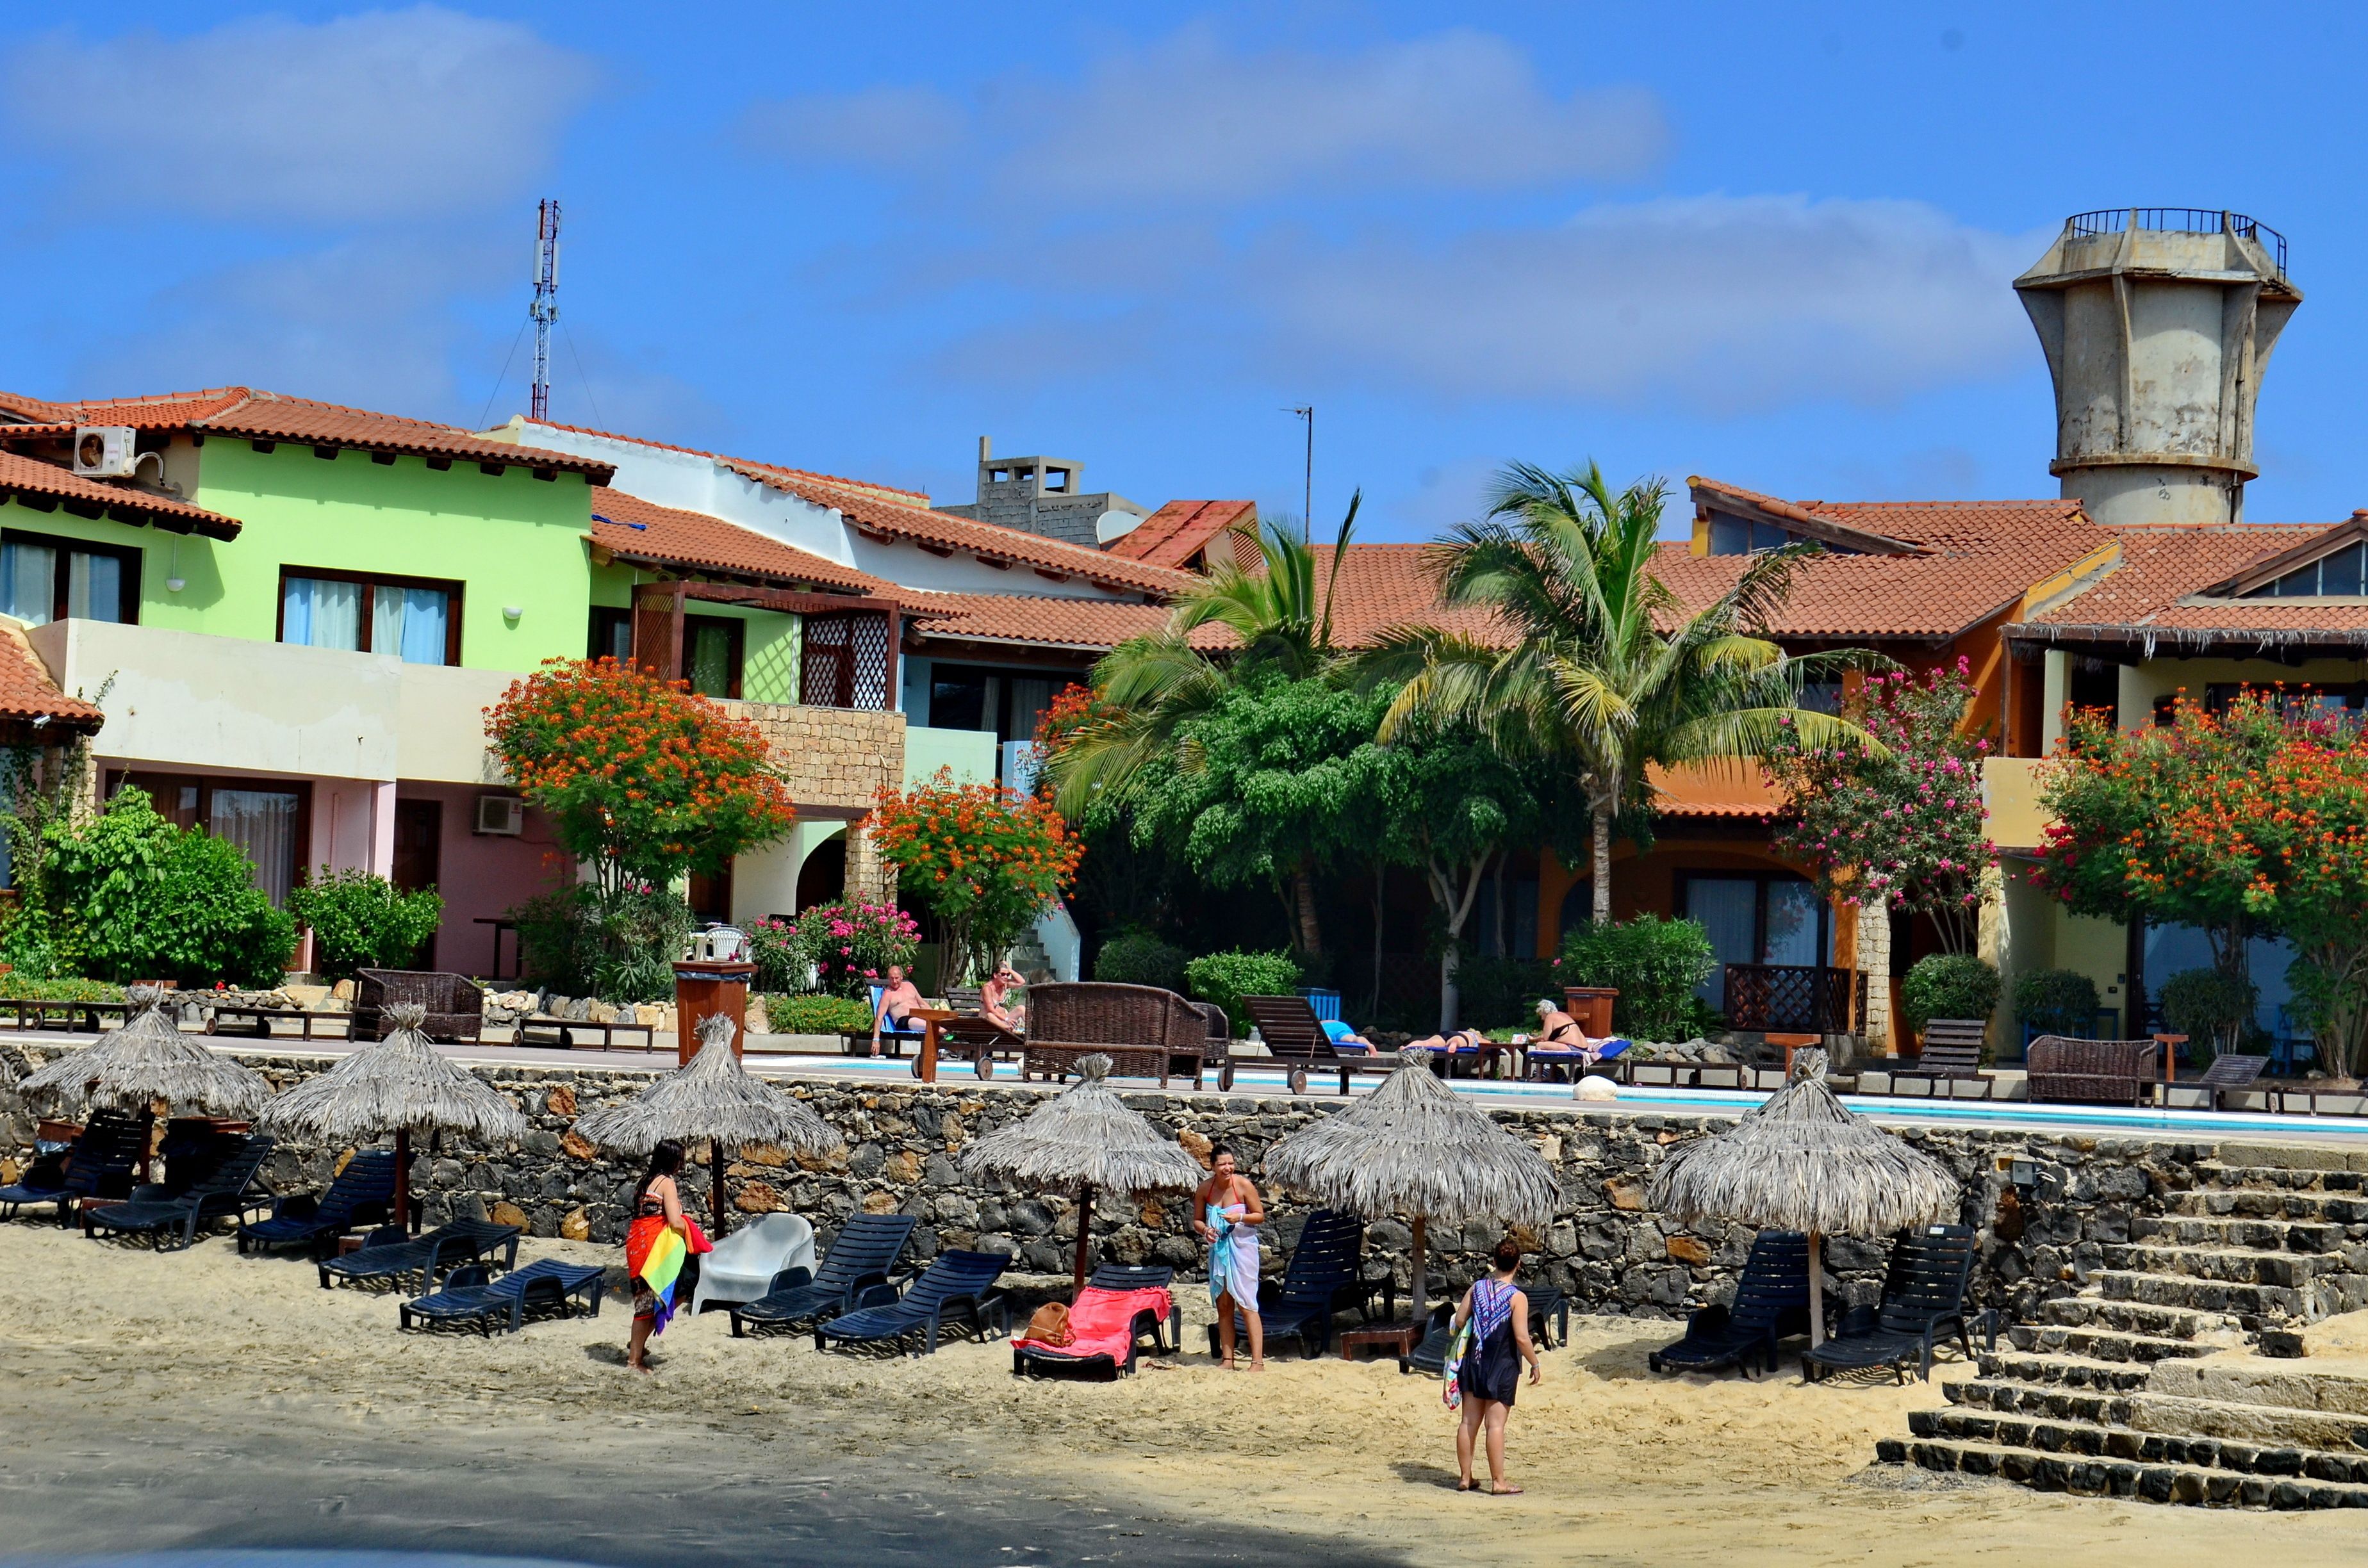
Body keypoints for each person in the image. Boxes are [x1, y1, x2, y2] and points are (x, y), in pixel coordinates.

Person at [1451, 1237, 1542, 1494]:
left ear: (1494, 1263)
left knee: (1468, 1423)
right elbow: (1522, 1338)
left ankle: (1465, 1478)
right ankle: (1498, 1482)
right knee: (1496, 1426)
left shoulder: (1477, 1288)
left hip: (1474, 1362)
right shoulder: (1517, 1298)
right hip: (1502, 1366)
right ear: (1518, 1265)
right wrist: (1535, 1363)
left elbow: (1459, 1320)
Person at [623, 1139, 712, 1374]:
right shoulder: (667, 1183)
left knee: (651, 1300)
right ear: (673, 1161)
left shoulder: (646, 1181)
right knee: (654, 1301)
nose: (681, 1165)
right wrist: (693, 1233)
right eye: (680, 1159)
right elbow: (674, 1221)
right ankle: (634, 1360)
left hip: (637, 1242)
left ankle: (637, 1346)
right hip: (654, 1247)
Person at [1193, 1146, 1266, 1371]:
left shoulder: (1243, 1185)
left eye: (1231, 1163)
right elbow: (1197, 1220)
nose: (1228, 1168)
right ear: (1212, 1166)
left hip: (1242, 1250)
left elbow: (1260, 1216)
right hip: (1219, 1251)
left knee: (1246, 1304)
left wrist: (1240, 1216)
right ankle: (1228, 1359)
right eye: (1223, 1164)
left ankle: (1257, 1361)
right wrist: (1206, 1231)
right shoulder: (1205, 1189)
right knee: (1223, 1304)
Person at [869, 963, 925, 1058]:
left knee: (940, 1026)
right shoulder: (888, 994)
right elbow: (879, 1017)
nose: (894, 981)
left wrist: (936, 1015)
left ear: (902, 977)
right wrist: (876, 1040)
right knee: (932, 1026)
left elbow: (922, 1004)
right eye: (891, 978)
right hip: (904, 1021)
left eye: (897, 978)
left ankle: (952, 1042)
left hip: (920, 1017)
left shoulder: (909, 986)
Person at [979, 961, 1026, 1033]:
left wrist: (1009, 969)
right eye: (1003, 974)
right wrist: (1006, 1019)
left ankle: (1034, 1028)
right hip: (988, 1022)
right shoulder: (987, 988)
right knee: (990, 1015)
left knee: (1021, 1008)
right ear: (995, 975)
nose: (1006, 977)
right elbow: (991, 1010)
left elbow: (1021, 982)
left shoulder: (1005, 985)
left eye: (1008, 975)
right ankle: (1009, 1029)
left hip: (1002, 1020)